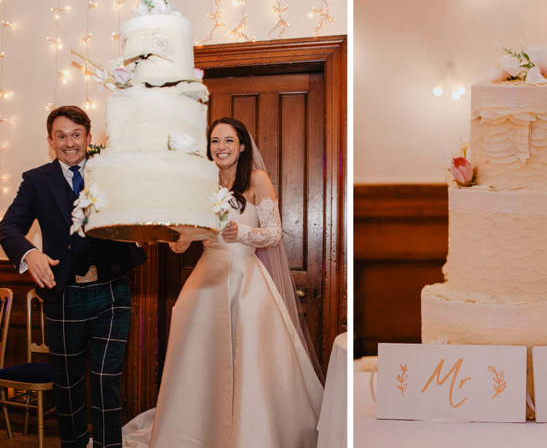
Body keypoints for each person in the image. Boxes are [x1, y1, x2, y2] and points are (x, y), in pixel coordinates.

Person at [123, 118, 323, 447]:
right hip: (206, 278)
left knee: (250, 359)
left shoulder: (257, 180)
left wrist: (241, 232)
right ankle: (199, 431)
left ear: (242, 145)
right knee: (199, 359)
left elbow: (274, 234)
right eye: (215, 141)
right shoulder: (201, 184)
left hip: (247, 280)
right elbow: (182, 244)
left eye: (228, 141)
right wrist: (171, 233)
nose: (221, 147)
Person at [0, 105, 146, 447]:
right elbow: (8, 227)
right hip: (64, 295)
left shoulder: (109, 172)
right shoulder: (35, 181)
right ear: (51, 141)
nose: (69, 143)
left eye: (76, 135)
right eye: (61, 136)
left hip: (112, 291)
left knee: (106, 380)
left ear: (88, 137)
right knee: (67, 387)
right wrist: (29, 253)